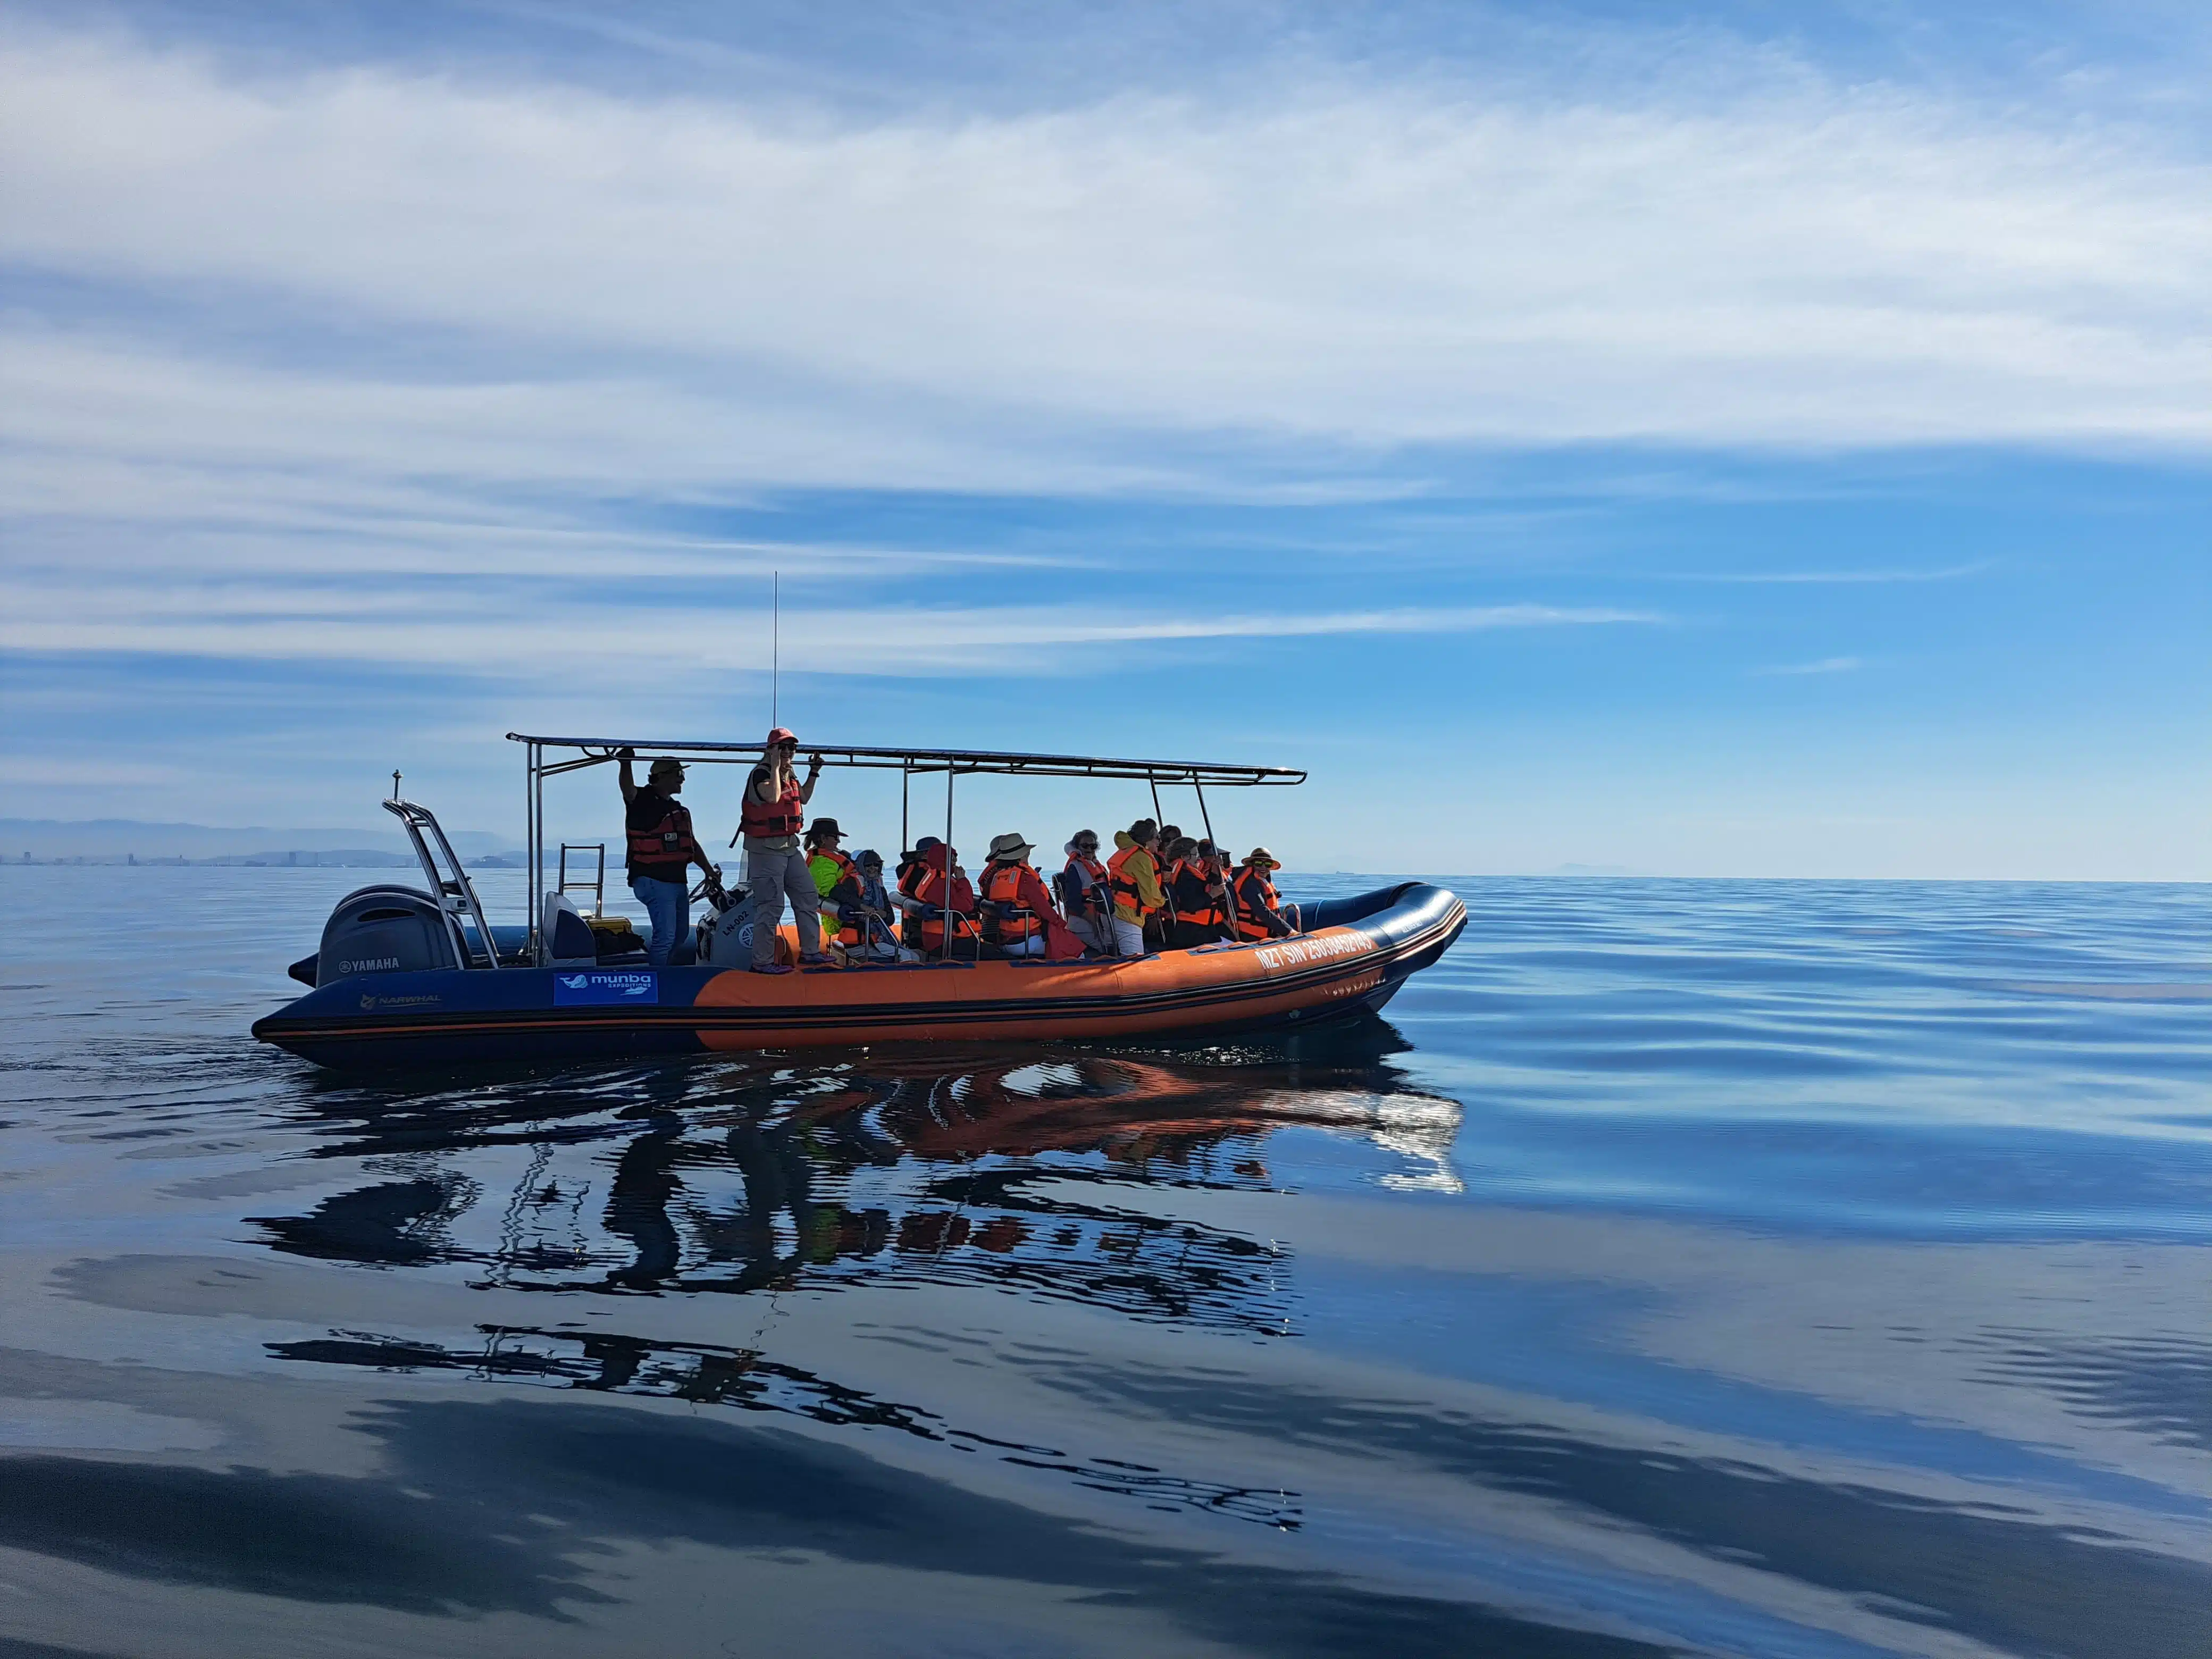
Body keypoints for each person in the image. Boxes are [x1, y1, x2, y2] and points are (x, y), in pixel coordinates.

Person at [617, 749, 719, 966]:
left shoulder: (678, 810)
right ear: (662, 777)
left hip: (677, 881)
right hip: (653, 880)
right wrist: (625, 763)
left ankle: (663, 972)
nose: (682, 779)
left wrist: (708, 870)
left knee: (680, 935)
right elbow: (627, 788)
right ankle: (655, 983)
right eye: (678, 774)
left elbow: (691, 842)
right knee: (665, 937)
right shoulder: (642, 800)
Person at [740, 726, 825, 974]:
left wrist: (814, 772)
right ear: (771, 749)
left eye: (791, 748)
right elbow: (773, 797)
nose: (788, 752)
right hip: (766, 850)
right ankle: (762, 962)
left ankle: (811, 952)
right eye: (782, 747)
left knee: (807, 895)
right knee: (772, 905)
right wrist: (776, 764)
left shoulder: (791, 775)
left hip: (789, 847)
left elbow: (804, 798)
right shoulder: (762, 774)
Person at [979, 833, 1085, 960]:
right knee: (1076, 950)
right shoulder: (1025, 879)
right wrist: (1062, 923)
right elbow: (1044, 910)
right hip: (1027, 941)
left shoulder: (994, 879)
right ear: (1021, 856)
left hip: (1003, 940)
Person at [909, 840, 991, 958]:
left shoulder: (934, 877)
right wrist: (962, 880)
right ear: (943, 859)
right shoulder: (942, 883)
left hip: (937, 938)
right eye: (952, 858)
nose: (955, 862)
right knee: (998, 955)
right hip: (945, 941)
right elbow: (966, 905)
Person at [1107, 818, 1165, 957]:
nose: (1159, 842)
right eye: (1157, 838)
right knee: (1134, 960)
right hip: (1128, 916)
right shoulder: (1141, 858)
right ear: (1147, 841)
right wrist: (1164, 900)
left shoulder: (1126, 852)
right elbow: (1151, 897)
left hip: (1115, 911)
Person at [1165, 837, 1233, 948]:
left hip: (1200, 930)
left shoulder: (1188, 875)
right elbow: (1191, 905)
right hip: (1193, 933)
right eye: (1195, 854)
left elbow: (1203, 888)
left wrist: (1216, 870)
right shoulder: (1185, 878)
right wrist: (1212, 895)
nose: (1199, 858)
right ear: (1185, 857)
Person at [1059, 831, 1111, 951]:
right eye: (1085, 846)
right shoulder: (1075, 867)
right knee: (1108, 951)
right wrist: (1095, 923)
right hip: (1083, 926)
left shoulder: (1096, 865)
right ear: (1078, 847)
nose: (1089, 849)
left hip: (1101, 921)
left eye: (1093, 846)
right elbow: (1073, 903)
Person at [1231, 847, 1297, 941]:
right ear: (1252, 865)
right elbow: (1261, 910)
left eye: (1267, 864)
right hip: (1252, 936)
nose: (1263, 867)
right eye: (1259, 863)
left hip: (1267, 934)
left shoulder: (1263, 881)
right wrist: (1289, 931)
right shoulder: (1249, 885)